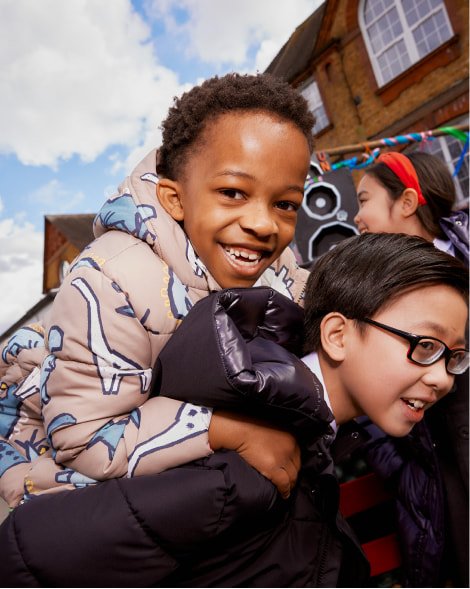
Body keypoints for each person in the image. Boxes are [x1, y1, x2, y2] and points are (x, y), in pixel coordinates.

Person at [1, 233, 468, 587]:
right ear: (337, 335)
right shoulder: (244, 462)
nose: (443, 377)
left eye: (454, 356)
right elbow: (27, 553)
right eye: (424, 346)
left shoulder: (305, 435)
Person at [0, 72, 315, 508]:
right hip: (68, 478)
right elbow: (84, 440)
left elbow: (314, 310)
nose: (262, 224)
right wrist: (230, 432)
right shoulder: (109, 278)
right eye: (232, 192)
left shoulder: (276, 266)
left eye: (284, 204)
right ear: (174, 199)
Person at [354, 150, 469, 587]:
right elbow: (363, 396)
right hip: (442, 497)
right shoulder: (371, 292)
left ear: (405, 202)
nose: (357, 216)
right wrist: (404, 471)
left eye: (365, 199)